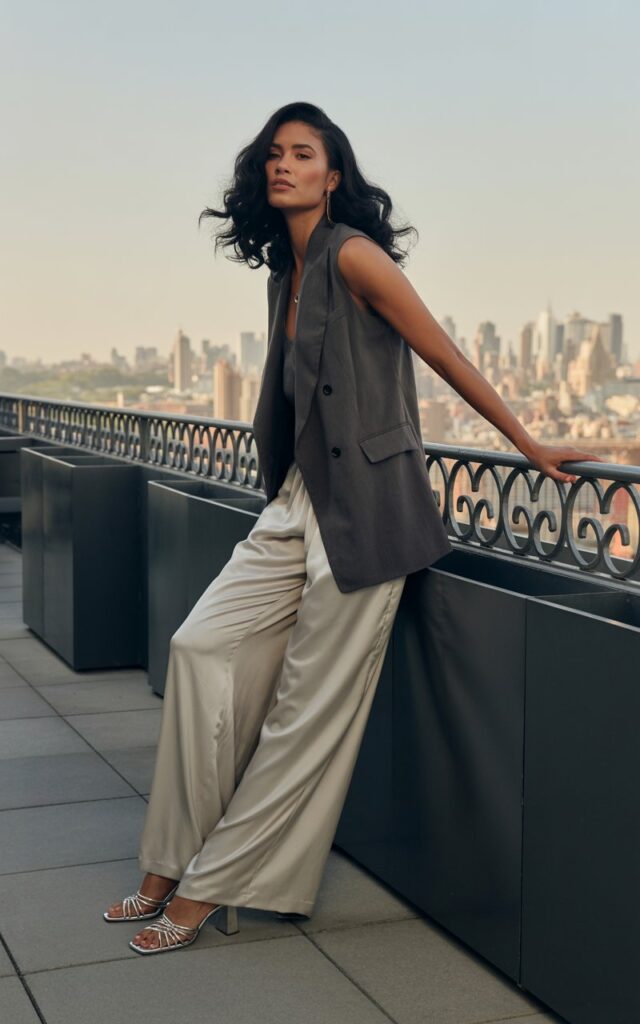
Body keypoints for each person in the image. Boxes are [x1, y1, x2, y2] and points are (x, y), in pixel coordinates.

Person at [103, 101, 602, 954]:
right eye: (273, 155)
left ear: (334, 176)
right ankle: (170, 858)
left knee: (306, 712)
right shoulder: (282, 274)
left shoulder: (357, 256)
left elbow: (442, 352)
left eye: (303, 154)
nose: (281, 165)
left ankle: (206, 888)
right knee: (199, 647)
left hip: (368, 513)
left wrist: (528, 443)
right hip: (298, 500)